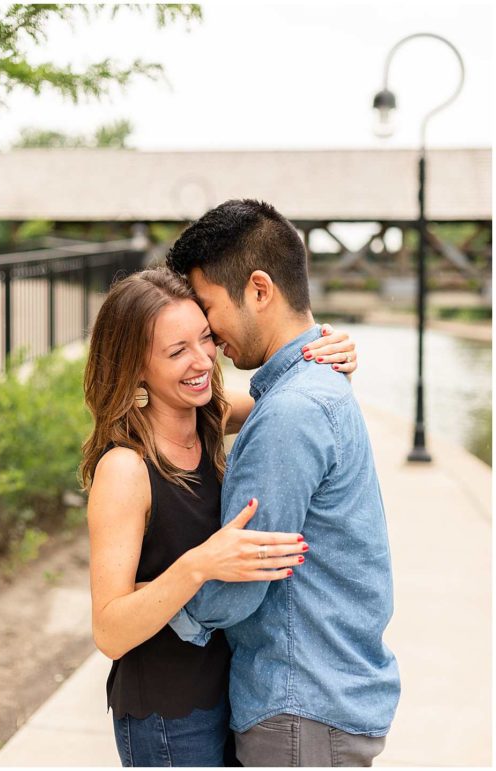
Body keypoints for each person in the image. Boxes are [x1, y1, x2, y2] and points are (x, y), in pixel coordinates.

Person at [83, 267, 357, 767]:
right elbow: (108, 629)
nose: (202, 360)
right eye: (176, 351)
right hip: (168, 718)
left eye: (205, 338)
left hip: (234, 693)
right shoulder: (125, 469)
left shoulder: (213, 414)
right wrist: (199, 565)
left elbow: (298, 403)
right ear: (134, 366)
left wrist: (332, 352)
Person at [165, 199, 400, 767]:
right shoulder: (310, 384)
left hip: (300, 709)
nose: (210, 336)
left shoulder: (293, 411)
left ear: (260, 289)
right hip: (321, 702)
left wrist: (159, 609)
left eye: (209, 309)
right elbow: (218, 411)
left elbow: (242, 581)